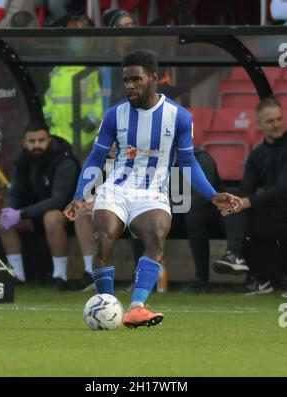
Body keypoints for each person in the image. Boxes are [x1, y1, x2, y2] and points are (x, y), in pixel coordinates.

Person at [64, 50, 242, 328]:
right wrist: (79, 196)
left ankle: (136, 307)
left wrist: (212, 194)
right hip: (116, 188)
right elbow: (96, 158)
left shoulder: (179, 116)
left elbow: (188, 162)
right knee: (102, 237)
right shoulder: (114, 115)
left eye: (136, 79)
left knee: (156, 236)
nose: (129, 85)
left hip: (153, 192)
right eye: (126, 80)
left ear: (154, 79)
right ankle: (106, 307)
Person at [0, 120, 94, 291]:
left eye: (41, 141)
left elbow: (57, 201)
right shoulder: (22, 162)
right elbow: (14, 193)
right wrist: (10, 211)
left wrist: (21, 214)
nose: (36, 145)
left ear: (49, 140)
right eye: (32, 141)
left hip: (69, 218)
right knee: (4, 221)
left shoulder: (65, 162)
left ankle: (60, 276)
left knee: (51, 217)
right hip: (35, 216)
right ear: (24, 143)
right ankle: (16, 276)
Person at [215, 98, 287, 295]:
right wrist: (232, 201)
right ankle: (240, 261)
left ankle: (240, 261)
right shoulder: (258, 154)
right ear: (260, 125)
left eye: (279, 119)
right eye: (270, 121)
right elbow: (246, 190)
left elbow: (283, 188)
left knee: (240, 211)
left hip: (283, 213)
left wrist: (247, 202)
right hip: (272, 215)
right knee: (234, 205)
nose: (277, 124)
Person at [184, 148, 248, 293]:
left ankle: (231, 259)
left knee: (194, 217)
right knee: (140, 219)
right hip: (175, 211)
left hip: (214, 210)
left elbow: (201, 198)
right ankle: (140, 278)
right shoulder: (161, 161)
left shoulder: (199, 159)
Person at [43, 15, 103, 159]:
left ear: (90, 38)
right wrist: (47, 116)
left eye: (80, 33)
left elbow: (105, 98)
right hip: (58, 140)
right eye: (72, 32)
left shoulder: (97, 66)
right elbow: (49, 96)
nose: (75, 38)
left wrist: (92, 121)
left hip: (86, 141)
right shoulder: (59, 67)